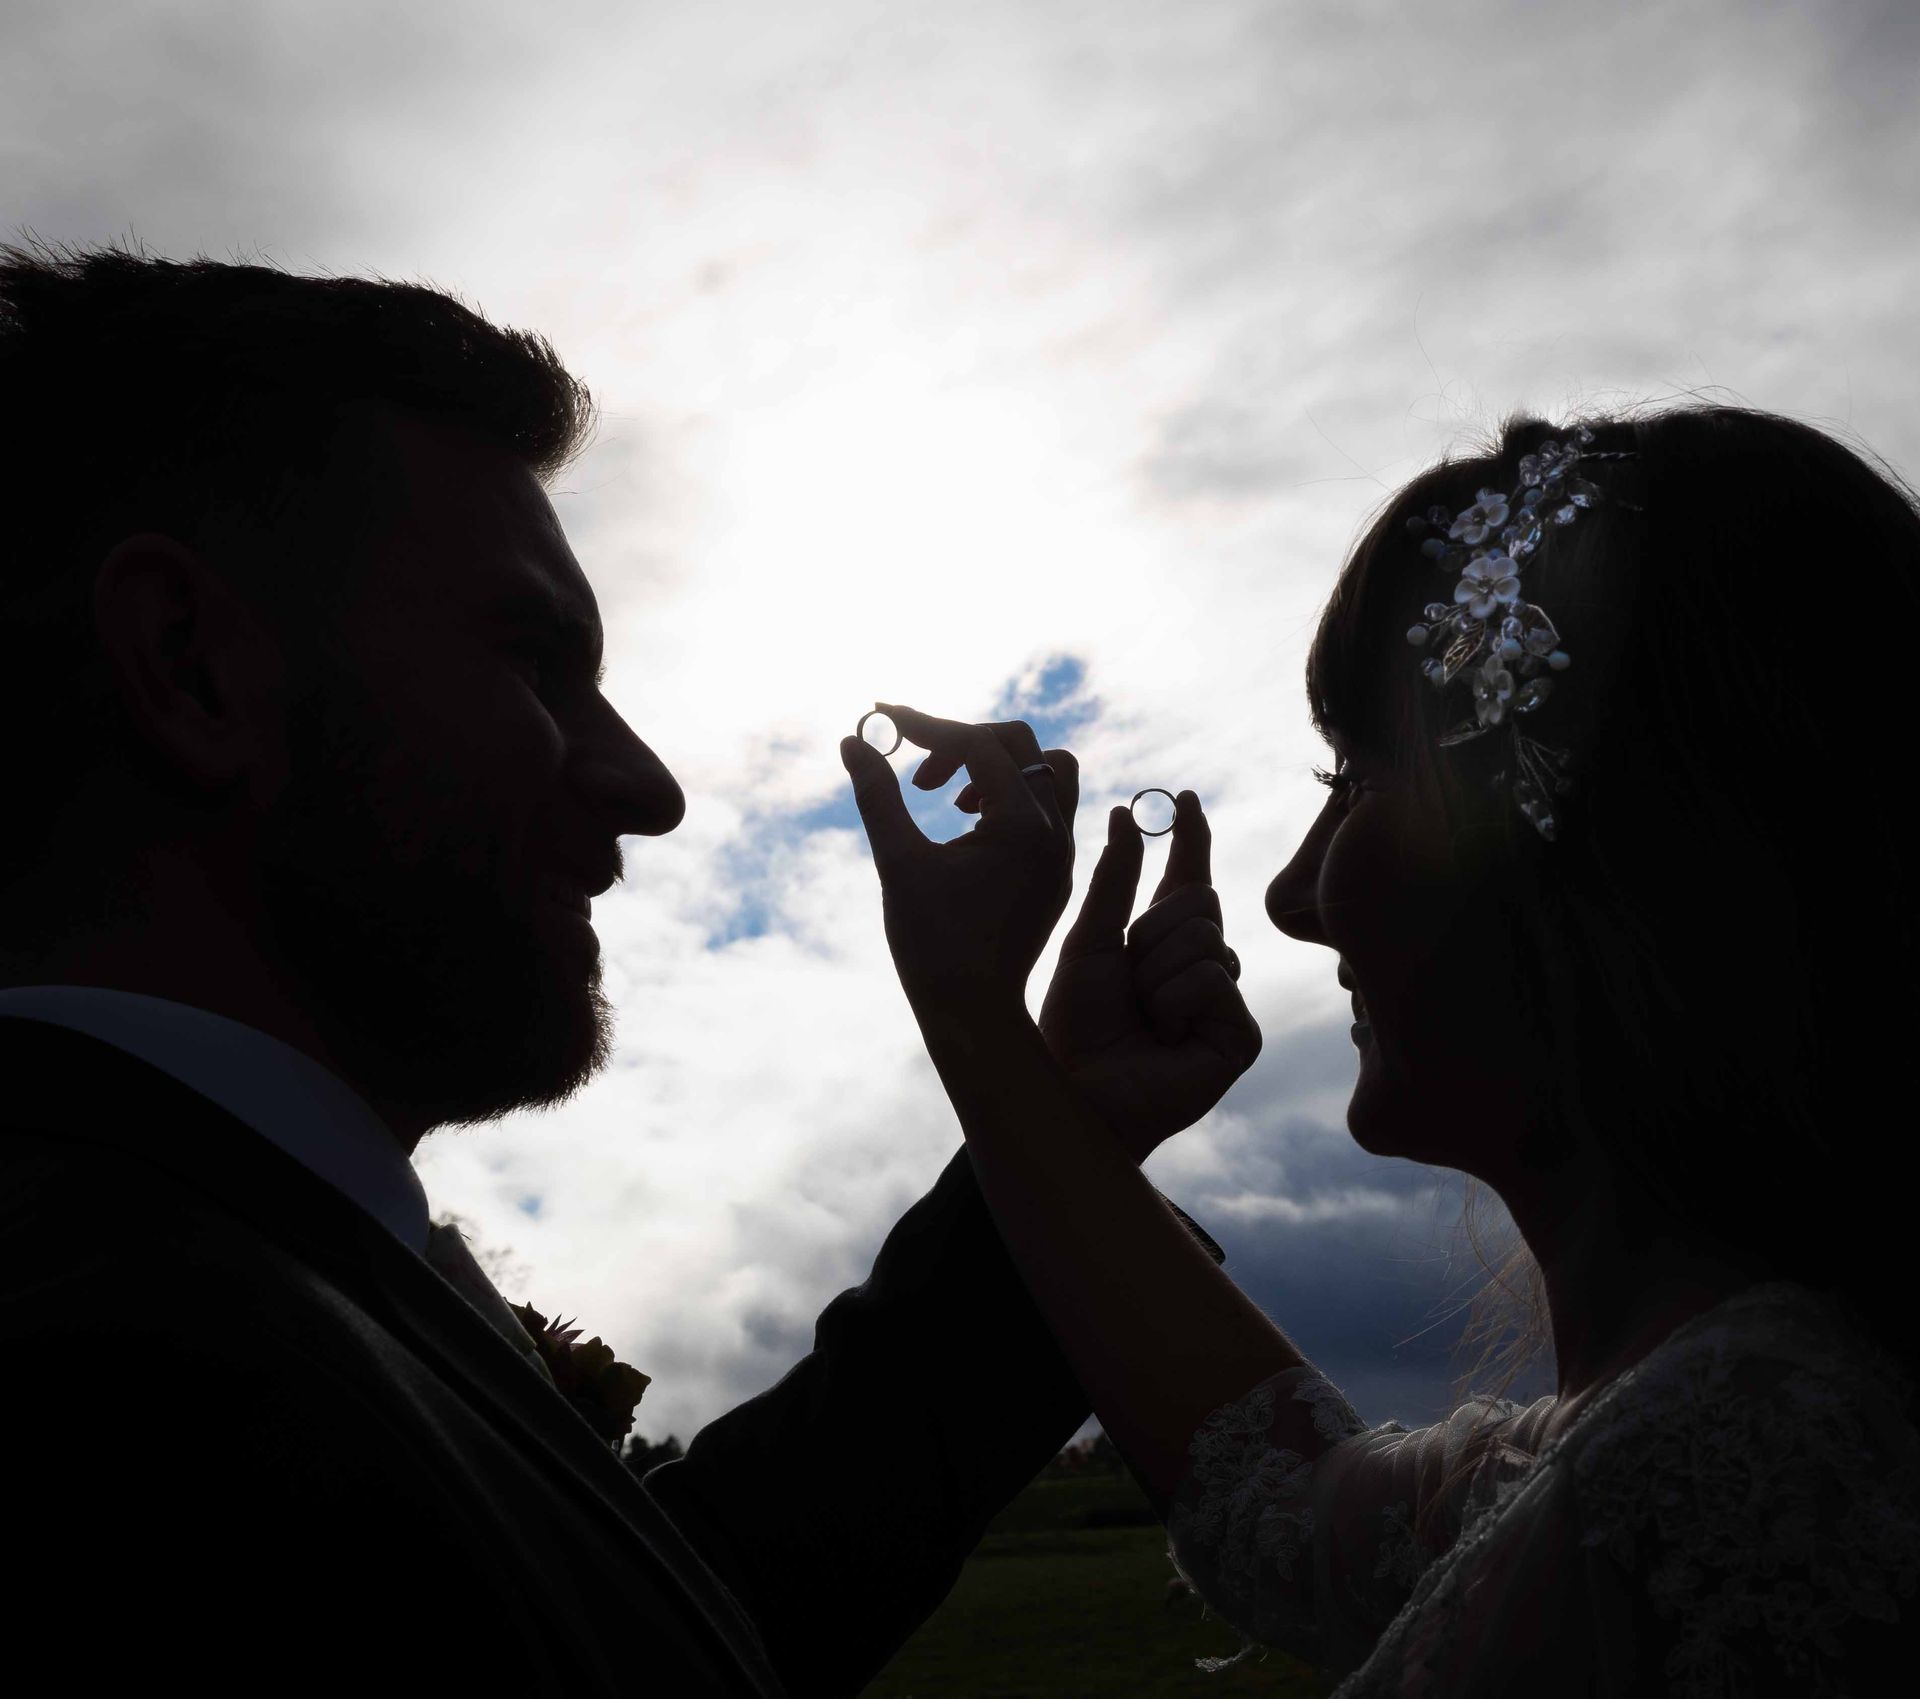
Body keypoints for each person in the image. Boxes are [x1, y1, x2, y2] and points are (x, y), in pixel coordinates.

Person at [0, 234, 1234, 1697]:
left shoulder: (227, 1272)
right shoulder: (96, 1370)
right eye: (535, 660)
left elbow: (644, 1628)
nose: (650, 788)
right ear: (193, 666)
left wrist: (1048, 1124)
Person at [839, 404, 1920, 1694]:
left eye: (1356, 779)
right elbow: (1284, 1506)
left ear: (1597, 847)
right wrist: (993, 1037)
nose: (1291, 898)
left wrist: (981, 1022)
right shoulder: (1717, 1441)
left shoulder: (1749, 1468)